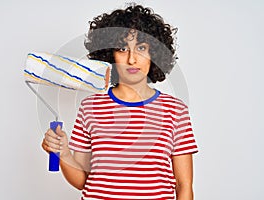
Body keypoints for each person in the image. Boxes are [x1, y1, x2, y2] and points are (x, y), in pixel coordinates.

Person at [42, 4, 198, 200]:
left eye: (141, 48)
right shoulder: (90, 107)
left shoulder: (175, 111)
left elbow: (184, 186)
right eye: (123, 49)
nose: (132, 59)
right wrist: (63, 153)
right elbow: (82, 181)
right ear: (110, 54)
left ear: (154, 54)